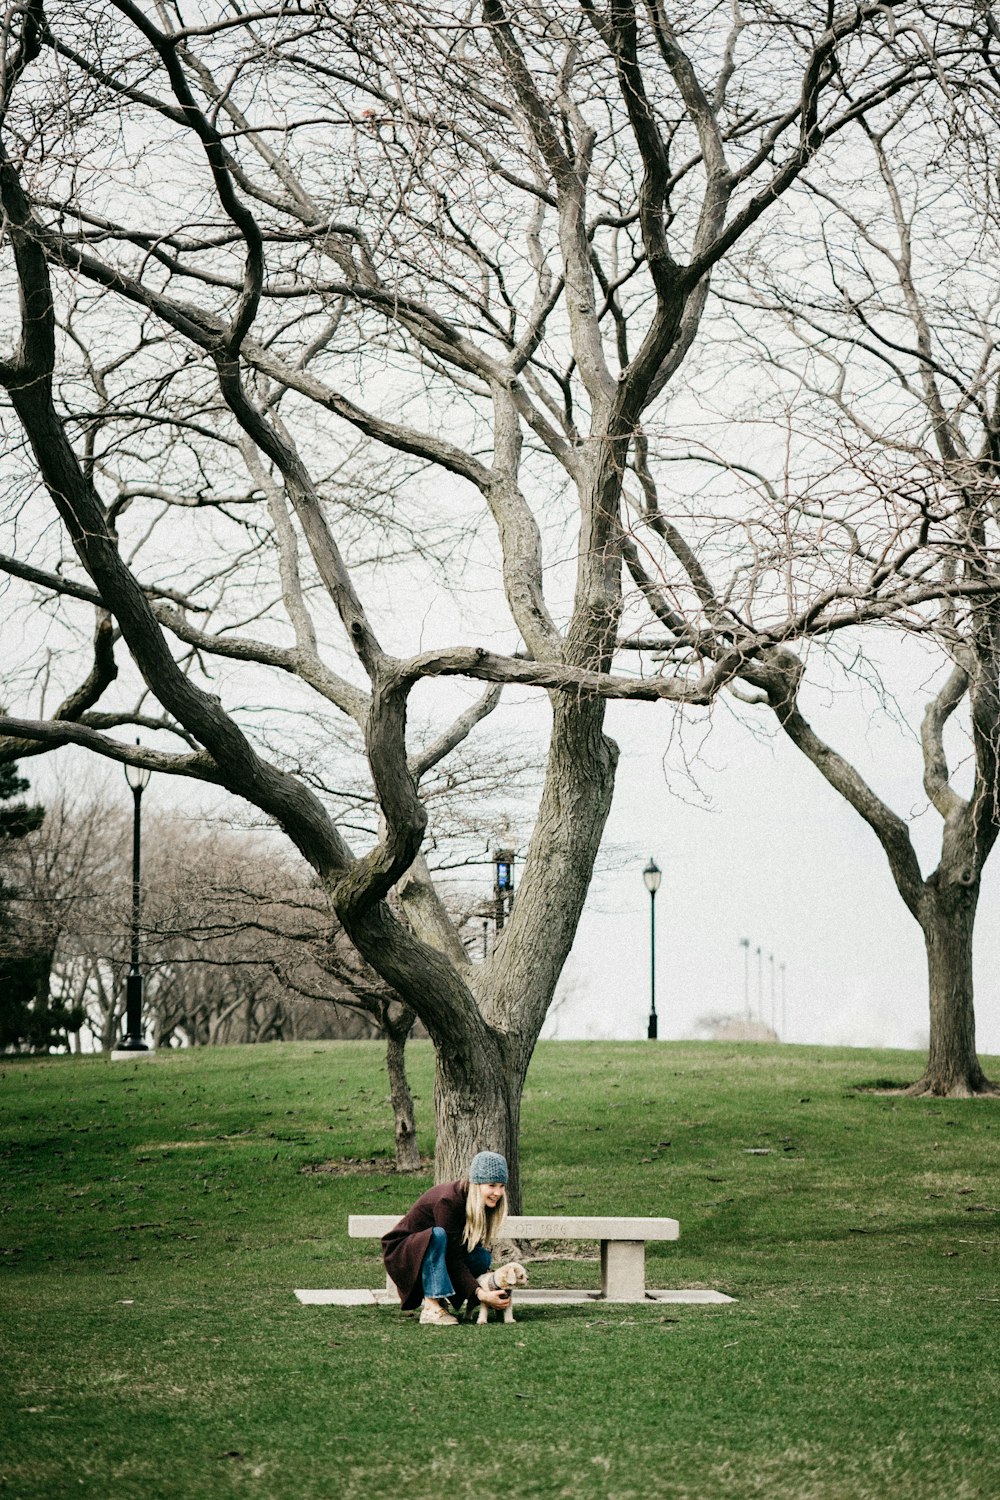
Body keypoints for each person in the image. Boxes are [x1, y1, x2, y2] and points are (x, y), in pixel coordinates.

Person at [382, 1150, 514, 1325]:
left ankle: (444, 1300)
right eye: (491, 1185)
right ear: (477, 1184)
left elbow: (461, 1250)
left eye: (501, 1185)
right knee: (437, 1235)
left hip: (434, 1251)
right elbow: (452, 1256)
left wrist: (488, 1286)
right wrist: (481, 1293)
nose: (497, 1192)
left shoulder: (479, 1203)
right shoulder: (449, 1201)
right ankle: (431, 1306)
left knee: (481, 1257)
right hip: (403, 1253)